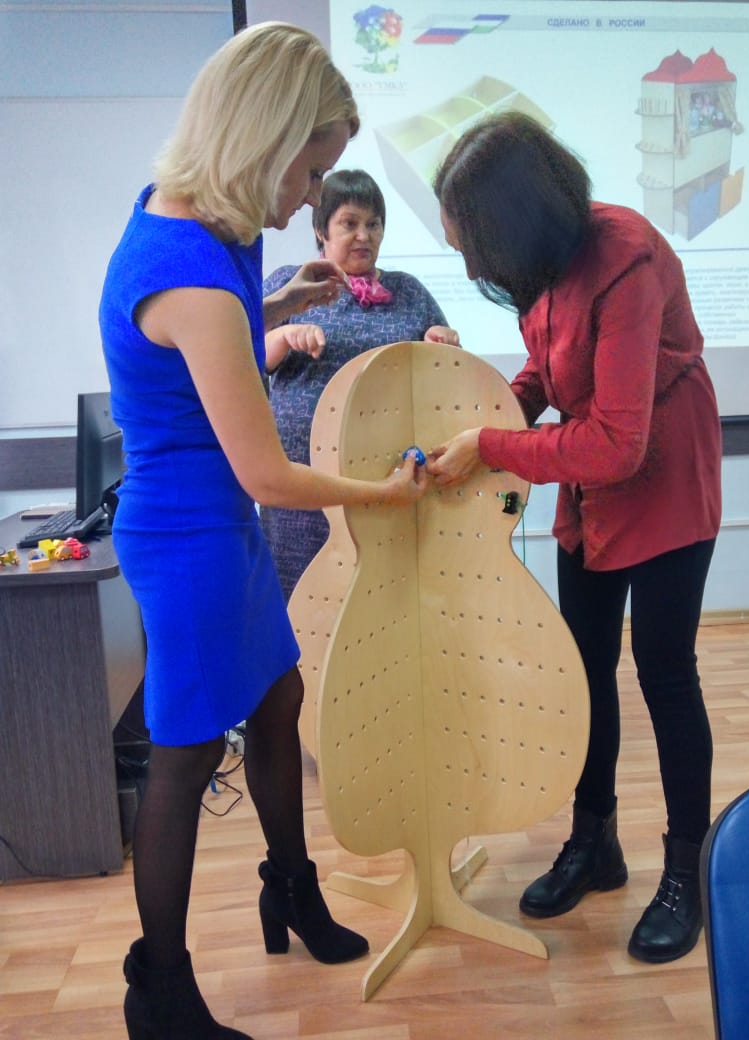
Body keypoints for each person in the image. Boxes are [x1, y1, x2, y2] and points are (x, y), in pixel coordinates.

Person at [98, 24, 427, 1040]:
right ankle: (159, 988)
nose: (311, 200)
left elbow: (210, 343)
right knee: (187, 755)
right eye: (311, 171)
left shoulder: (212, 227)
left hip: (217, 525)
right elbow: (267, 473)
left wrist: (277, 298)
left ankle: (291, 889)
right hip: (189, 536)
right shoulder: (189, 271)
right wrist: (383, 494)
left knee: (278, 700)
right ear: (263, 139)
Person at [427, 111, 722, 965]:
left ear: (518, 219)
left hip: (663, 477)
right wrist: (499, 406)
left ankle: (687, 872)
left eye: (476, 247)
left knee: (666, 674)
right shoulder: (545, 263)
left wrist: (490, 446)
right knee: (584, 670)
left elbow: (619, 442)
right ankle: (595, 843)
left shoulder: (626, 259)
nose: (474, 268)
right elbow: (550, 366)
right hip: (592, 488)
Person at [261, 168, 459, 600]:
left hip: (387, 485)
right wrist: (283, 337)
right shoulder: (289, 286)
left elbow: (447, 380)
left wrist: (442, 343)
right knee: (300, 604)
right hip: (302, 494)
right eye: (349, 223)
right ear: (321, 229)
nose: (364, 235)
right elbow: (245, 363)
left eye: (374, 224)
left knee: (380, 603)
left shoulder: (409, 292)